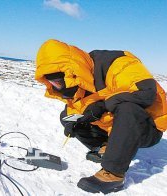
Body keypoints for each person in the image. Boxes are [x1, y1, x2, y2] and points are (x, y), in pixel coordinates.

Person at [35, 39, 167, 194]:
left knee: (128, 108)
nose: (59, 86)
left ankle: (113, 173)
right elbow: (77, 107)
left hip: (147, 127)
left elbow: (145, 93)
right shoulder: (78, 79)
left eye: (59, 81)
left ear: (71, 71)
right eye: (54, 83)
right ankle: (108, 148)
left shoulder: (116, 63)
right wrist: (72, 122)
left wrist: (102, 105)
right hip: (115, 124)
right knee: (68, 117)